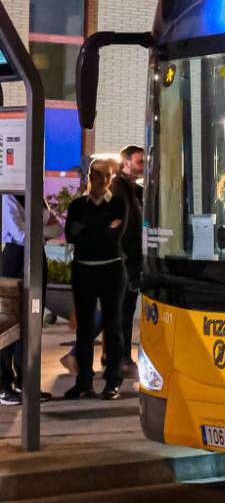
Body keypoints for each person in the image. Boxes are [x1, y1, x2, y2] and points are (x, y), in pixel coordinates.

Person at [64, 159, 127, 400]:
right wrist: (102, 226)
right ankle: (83, 382)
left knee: (113, 327)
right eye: (97, 174)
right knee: (84, 330)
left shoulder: (118, 205)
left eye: (107, 175)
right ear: (90, 176)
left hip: (111, 270)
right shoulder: (77, 205)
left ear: (111, 178)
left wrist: (87, 229)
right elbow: (71, 235)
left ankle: (112, 381)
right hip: (83, 270)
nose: (102, 180)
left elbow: (113, 237)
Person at [110, 145, 144, 381]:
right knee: (121, 310)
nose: (145, 166)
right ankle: (121, 359)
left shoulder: (136, 189)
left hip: (132, 258)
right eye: (141, 162)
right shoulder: (117, 188)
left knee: (125, 309)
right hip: (123, 259)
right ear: (126, 163)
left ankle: (119, 358)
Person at [0, 193, 22, 405]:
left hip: (32, 258)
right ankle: (4, 386)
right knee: (8, 326)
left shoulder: (35, 196)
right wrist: (43, 232)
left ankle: (26, 382)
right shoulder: (9, 197)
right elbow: (20, 233)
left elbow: (57, 227)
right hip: (13, 260)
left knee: (30, 325)